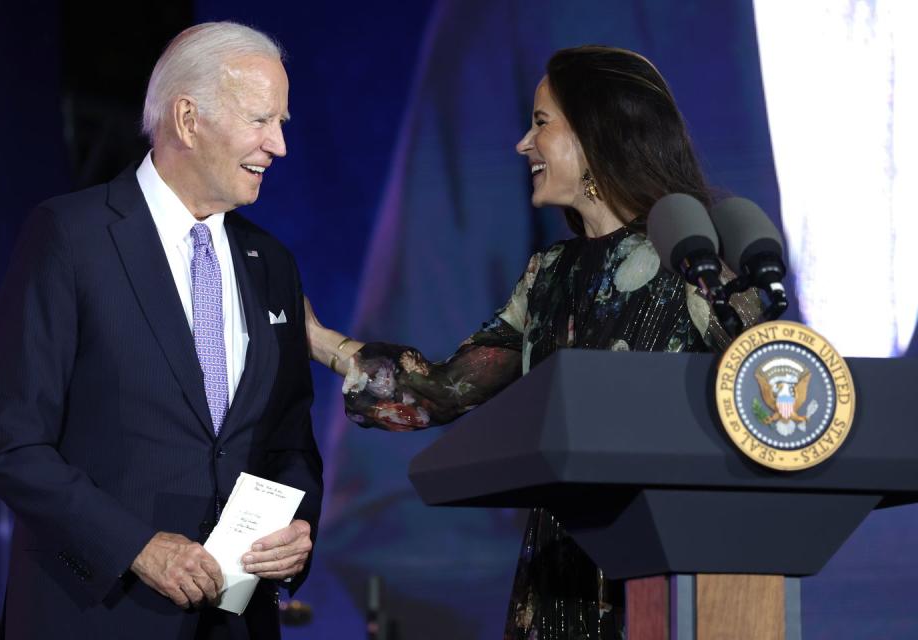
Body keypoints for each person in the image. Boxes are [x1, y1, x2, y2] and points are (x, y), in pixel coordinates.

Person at [306, 45, 760, 638]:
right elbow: (440, 392)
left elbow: (767, 396)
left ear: (598, 134)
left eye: (541, 123)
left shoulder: (696, 264)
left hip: (668, 575)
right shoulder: (548, 275)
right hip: (560, 576)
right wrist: (319, 340)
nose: (523, 143)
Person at [0, 22, 322, 640]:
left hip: (236, 624)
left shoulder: (273, 265)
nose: (280, 145)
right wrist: (136, 546)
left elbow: (289, 441)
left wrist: (294, 531)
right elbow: (10, 442)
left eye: (282, 123)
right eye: (263, 120)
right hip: (97, 616)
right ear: (188, 119)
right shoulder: (71, 238)